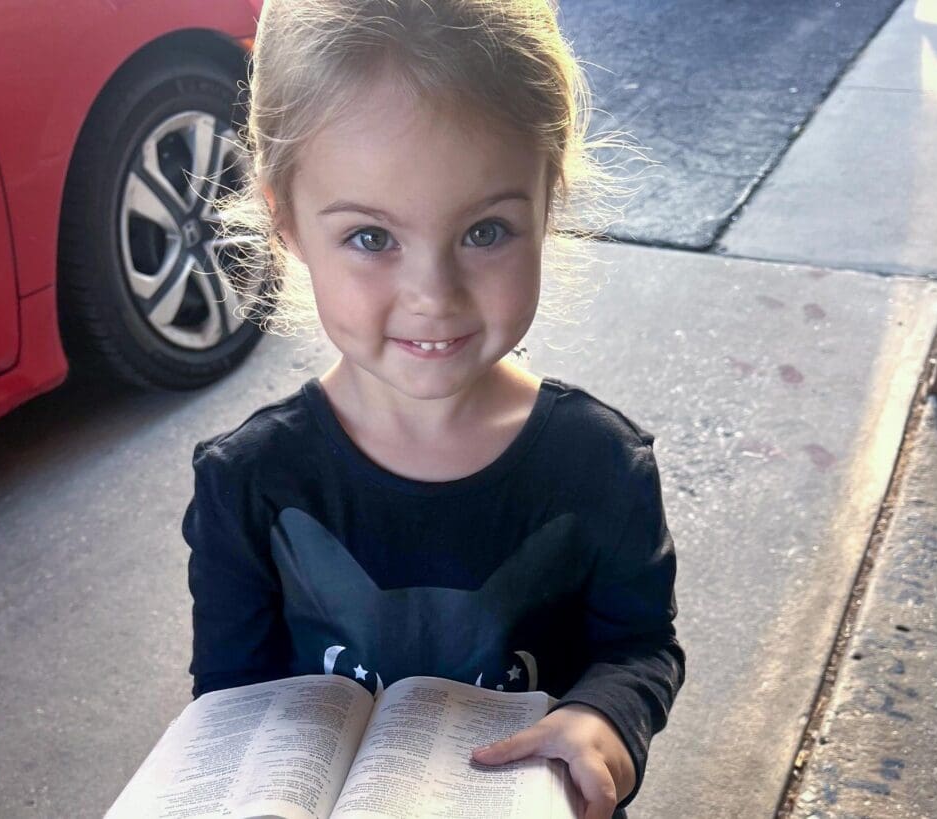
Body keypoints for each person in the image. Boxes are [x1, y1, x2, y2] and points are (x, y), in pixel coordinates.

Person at [182, 1, 686, 817]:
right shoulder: (249, 483)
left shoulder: (600, 464)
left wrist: (605, 719)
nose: (433, 296)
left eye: (485, 231)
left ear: (547, 198)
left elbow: (638, 644)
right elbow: (232, 699)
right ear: (287, 222)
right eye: (372, 238)